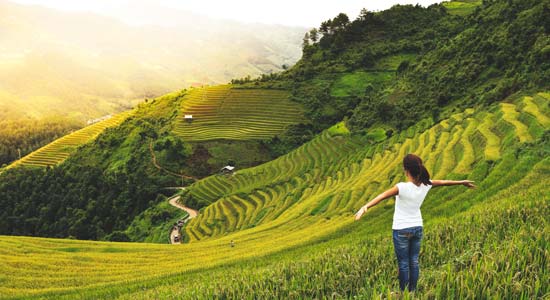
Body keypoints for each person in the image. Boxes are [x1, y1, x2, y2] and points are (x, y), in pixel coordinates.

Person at [354, 153, 475, 292]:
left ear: (406, 170)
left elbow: (382, 196)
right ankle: (412, 291)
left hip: (401, 230)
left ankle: (404, 293)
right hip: (417, 227)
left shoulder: (401, 187)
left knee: (404, 264)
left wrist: (365, 207)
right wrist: (461, 182)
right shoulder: (426, 185)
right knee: (414, 261)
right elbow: (443, 182)